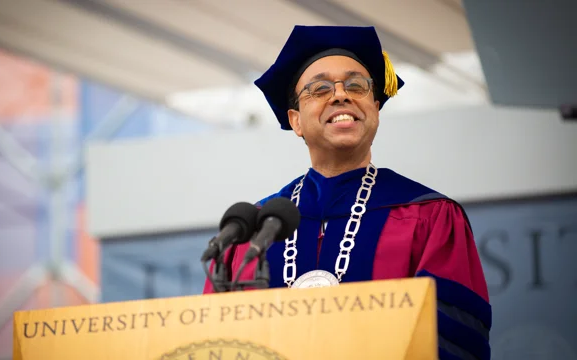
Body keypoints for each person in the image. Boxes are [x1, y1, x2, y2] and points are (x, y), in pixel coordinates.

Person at [203, 25, 491, 360]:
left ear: (375, 109)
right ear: (295, 120)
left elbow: (454, 341)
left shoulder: (430, 217)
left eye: (356, 85)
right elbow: (216, 343)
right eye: (319, 89)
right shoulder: (254, 230)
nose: (340, 95)